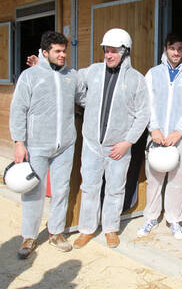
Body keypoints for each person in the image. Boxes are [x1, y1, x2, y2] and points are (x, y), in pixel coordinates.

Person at [10, 31, 86, 259]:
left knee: (62, 189)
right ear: (45, 53)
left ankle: (56, 232)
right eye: (58, 51)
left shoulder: (72, 76)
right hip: (37, 144)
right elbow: (18, 109)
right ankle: (29, 236)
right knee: (33, 191)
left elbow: (84, 100)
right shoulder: (30, 76)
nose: (63, 55)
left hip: (65, 144)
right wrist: (19, 142)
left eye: (65, 51)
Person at [73, 28, 150, 249]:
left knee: (115, 189)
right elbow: (74, 83)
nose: (108, 55)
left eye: (113, 51)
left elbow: (143, 114)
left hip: (119, 147)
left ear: (125, 52)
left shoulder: (137, 80)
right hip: (92, 144)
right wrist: (89, 104)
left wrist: (127, 142)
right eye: (106, 51)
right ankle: (87, 229)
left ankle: (110, 229)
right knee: (89, 187)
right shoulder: (93, 71)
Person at [136, 33, 182, 240]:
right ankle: (151, 217)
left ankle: (174, 219)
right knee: (154, 177)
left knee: (179, 177)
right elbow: (147, 102)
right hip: (156, 135)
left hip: (180, 137)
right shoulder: (153, 73)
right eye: (173, 48)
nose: (176, 52)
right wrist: (154, 128)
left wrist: (179, 131)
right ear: (165, 49)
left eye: (180, 49)